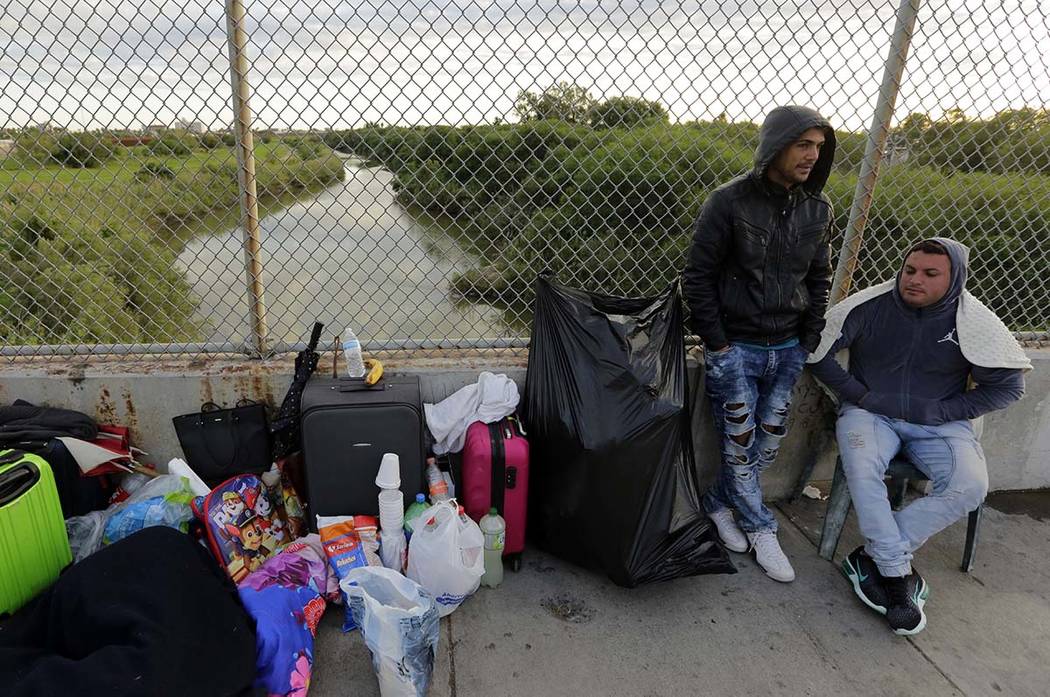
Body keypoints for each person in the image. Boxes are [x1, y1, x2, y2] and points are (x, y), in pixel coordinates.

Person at [808, 237, 1029, 635]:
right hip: (870, 413)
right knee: (861, 469)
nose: (914, 280)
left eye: (930, 274)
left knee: (970, 486)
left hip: (940, 420)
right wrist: (859, 394)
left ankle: (875, 558)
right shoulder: (869, 305)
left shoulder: (972, 320)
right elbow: (817, 351)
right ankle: (895, 574)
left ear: (955, 279)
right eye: (910, 270)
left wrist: (943, 411)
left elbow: (1009, 386)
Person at [683, 105, 836, 582]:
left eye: (818, 146)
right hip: (737, 348)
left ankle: (717, 504)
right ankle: (760, 525)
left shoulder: (818, 208)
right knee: (739, 442)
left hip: (788, 348)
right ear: (777, 145)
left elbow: (820, 277)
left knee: (766, 444)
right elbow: (697, 277)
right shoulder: (728, 202)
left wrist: (808, 337)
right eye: (803, 144)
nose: (812, 155)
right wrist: (719, 344)